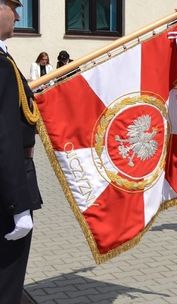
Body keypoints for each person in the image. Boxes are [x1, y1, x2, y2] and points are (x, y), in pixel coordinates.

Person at [0, 1, 43, 303]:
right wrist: (19, 206)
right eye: (12, 6)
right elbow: (5, 138)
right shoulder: (1, 66)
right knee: (7, 281)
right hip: (7, 190)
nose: (18, 15)